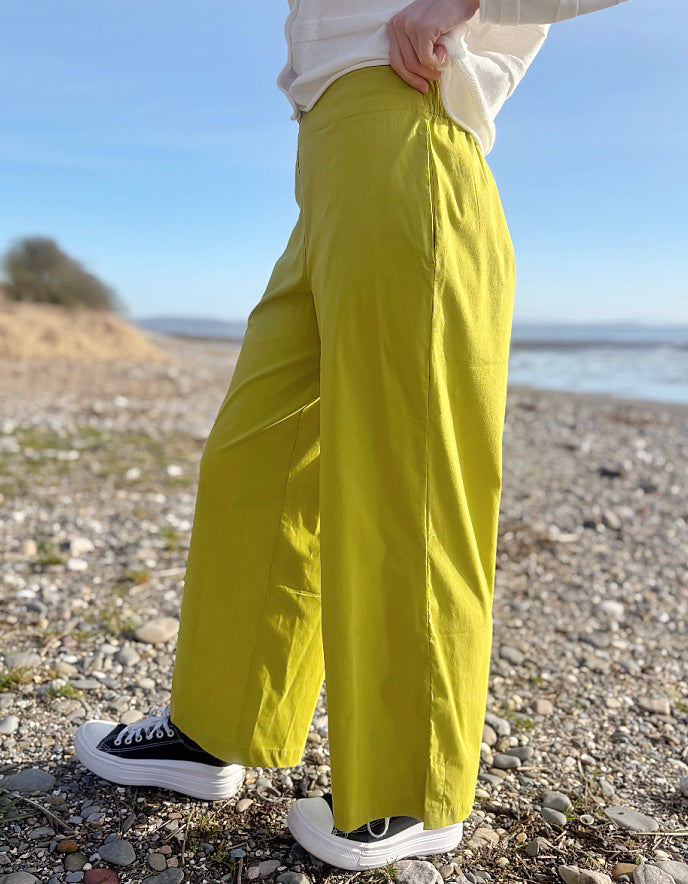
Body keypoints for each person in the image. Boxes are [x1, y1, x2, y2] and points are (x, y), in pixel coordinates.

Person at [74, 0, 629, 871]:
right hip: (332, 165)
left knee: (407, 476)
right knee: (259, 455)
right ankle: (217, 726)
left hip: (412, 138)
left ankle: (414, 789)